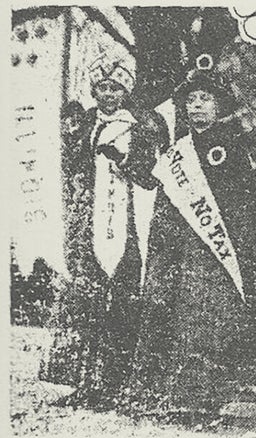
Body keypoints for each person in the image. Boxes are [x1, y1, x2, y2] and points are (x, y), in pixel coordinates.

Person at [125, 66, 256, 420]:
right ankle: (172, 396)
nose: (197, 107)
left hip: (215, 255)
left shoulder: (233, 147)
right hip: (180, 251)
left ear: (219, 106)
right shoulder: (177, 150)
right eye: (190, 101)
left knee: (207, 325)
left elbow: (240, 206)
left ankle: (203, 401)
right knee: (176, 321)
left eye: (205, 99)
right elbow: (162, 199)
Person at [39, 54, 165, 410]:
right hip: (87, 222)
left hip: (125, 225)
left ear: (126, 91)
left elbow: (148, 174)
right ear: (94, 90)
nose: (109, 95)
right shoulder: (85, 122)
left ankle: (116, 383)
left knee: (122, 305)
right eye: (103, 88)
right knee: (85, 302)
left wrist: (124, 161)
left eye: (116, 88)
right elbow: (69, 163)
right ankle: (83, 381)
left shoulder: (139, 126)